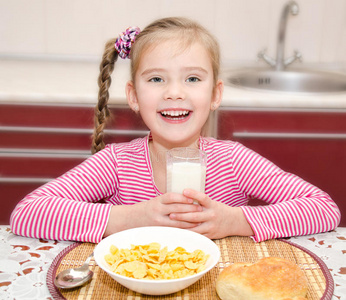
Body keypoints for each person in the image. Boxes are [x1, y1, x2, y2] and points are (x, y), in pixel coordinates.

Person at [10, 17, 340, 243]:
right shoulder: (115, 164)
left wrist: (234, 222)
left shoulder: (234, 162)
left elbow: (324, 209)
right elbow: (27, 214)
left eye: (193, 78)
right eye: (156, 79)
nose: (174, 92)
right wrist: (130, 218)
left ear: (215, 95)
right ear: (134, 97)